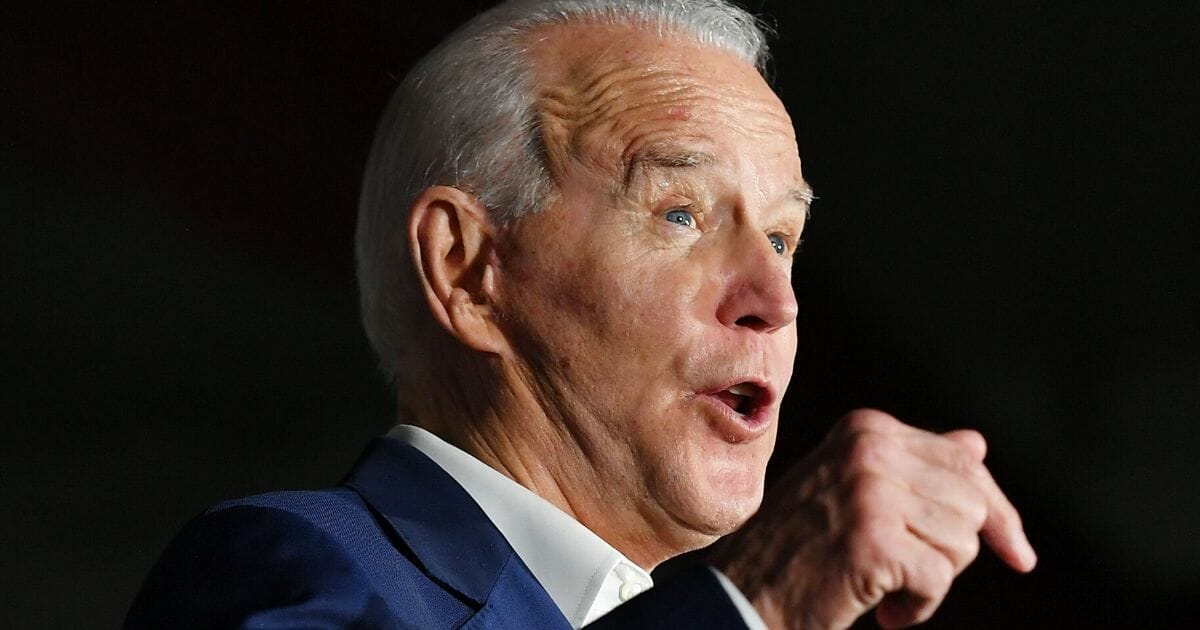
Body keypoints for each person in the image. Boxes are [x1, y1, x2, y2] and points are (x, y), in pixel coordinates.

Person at [127, 1, 1036, 627]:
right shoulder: (288, 569)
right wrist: (755, 602)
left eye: (784, 239)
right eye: (681, 214)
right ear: (468, 268)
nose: (776, 301)